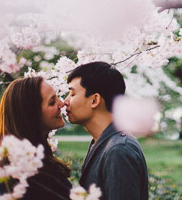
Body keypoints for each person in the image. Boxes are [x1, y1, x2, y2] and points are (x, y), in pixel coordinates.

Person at [64, 61, 149, 200]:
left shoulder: (119, 150)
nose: (65, 101)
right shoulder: (102, 141)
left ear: (94, 100)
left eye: (72, 94)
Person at [0, 76, 72, 200]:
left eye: (57, 96)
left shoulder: (39, 161)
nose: (62, 103)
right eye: (52, 102)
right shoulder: (24, 177)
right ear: (32, 115)